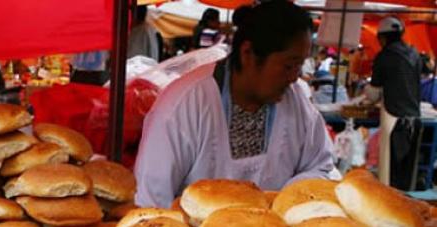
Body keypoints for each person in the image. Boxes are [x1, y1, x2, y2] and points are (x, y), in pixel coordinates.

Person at [134, 1, 333, 208]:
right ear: (247, 53)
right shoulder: (184, 105)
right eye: (289, 65)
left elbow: (320, 167)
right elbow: (151, 201)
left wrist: (284, 203)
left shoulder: (297, 102)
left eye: (299, 66)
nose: (294, 77)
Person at [365, 16, 422, 190]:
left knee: (389, 175)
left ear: (382, 38)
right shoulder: (415, 54)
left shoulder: (384, 56)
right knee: (408, 172)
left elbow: (373, 93)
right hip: (415, 118)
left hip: (393, 118)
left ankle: (390, 200)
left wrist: (367, 92)